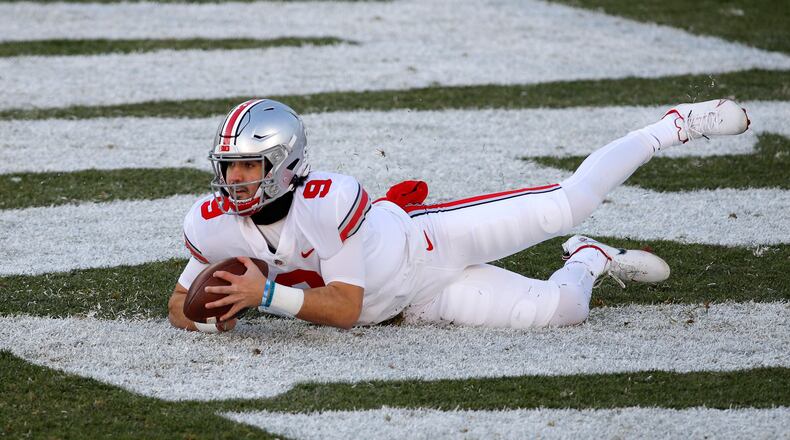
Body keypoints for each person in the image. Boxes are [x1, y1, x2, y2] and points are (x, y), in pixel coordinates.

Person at [167, 98, 750, 333]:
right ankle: (590, 257)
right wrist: (213, 310)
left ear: (286, 163)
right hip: (410, 306)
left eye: (248, 167)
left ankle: (672, 126)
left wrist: (264, 295)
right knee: (562, 312)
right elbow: (178, 306)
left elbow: (343, 306)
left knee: (571, 202)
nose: (234, 180)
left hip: (429, 244)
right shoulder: (211, 219)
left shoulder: (325, 198)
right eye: (229, 167)